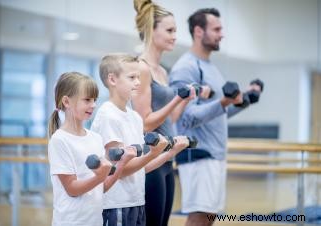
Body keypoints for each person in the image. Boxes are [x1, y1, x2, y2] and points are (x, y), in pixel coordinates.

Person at [169, 8, 263, 226]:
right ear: (199, 31)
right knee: (199, 219)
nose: (222, 34)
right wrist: (223, 102)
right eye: (217, 29)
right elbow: (186, 118)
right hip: (199, 154)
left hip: (214, 154)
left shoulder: (211, 67)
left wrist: (245, 99)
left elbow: (219, 113)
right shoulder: (186, 68)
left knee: (208, 218)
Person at [131, 1, 211, 225]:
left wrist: (185, 100)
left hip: (167, 160)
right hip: (151, 161)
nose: (175, 36)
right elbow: (145, 123)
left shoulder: (162, 71)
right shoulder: (142, 68)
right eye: (169, 30)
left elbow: (170, 119)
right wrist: (177, 98)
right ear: (151, 30)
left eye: (175, 30)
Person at [91, 53, 190, 226]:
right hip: (116, 205)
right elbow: (121, 169)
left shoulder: (135, 118)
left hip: (137, 203)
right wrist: (152, 154)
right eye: (132, 77)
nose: (138, 82)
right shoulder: (108, 115)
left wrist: (169, 153)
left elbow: (141, 168)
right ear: (112, 80)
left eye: (138, 77)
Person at [48, 72, 135, 226]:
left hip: (95, 221)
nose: (93, 105)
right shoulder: (59, 140)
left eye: (94, 100)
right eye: (87, 100)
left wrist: (122, 163)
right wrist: (99, 177)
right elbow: (72, 189)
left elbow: (101, 188)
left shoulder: (96, 138)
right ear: (67, 102)